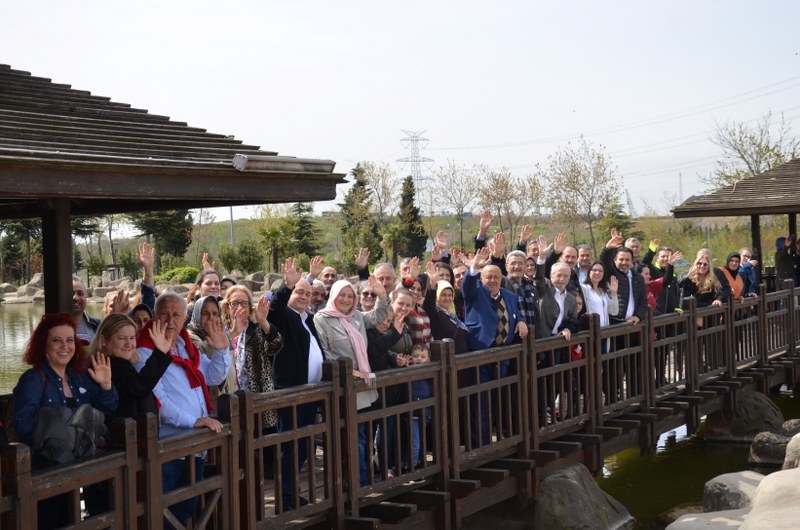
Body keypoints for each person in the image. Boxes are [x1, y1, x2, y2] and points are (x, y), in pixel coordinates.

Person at [134, 292, 230, 529]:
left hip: (193, 445)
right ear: (154, 316)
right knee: (163, 512)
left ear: (185, 318)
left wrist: (220, 350)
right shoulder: (143, 349)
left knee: (186, 506)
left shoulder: (185, 345)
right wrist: (194, 420)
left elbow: (212, 376)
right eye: (164, 313)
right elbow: (159, 402)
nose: (170, 319)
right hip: (169, 445)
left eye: (176, 314)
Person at [13, 313, 118, 529]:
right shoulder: (33, 379)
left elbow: (106, 410)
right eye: (56, 340)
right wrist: (56, 446)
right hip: (46, 473)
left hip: (82, 467)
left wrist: (106, 385)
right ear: (44, 345)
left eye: (70, 340)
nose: (65, 346)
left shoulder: (78, 376)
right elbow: (23, 426)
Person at [314, 277, 388, 486]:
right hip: (344, 387)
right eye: (342, 295)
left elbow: (378, 316)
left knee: (364, 434)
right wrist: (348, 372)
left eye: (350, 296)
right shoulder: (322, 318)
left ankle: (363, 480)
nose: (346, 300)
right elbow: (325, 353)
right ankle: (359, 483)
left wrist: (382, 296)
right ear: (333, 297)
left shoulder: (356, 316)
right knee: (355, 438)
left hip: (363, 387)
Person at [268, 257, 326, 509]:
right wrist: (287, 286)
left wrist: (309, 279)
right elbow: (274, 311)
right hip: (290, 394)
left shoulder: (307, 318)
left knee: (302, 447)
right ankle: (286, 498)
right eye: (299, 292)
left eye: (308, 293)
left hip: (309, 394)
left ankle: (292, 494)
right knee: (289, 448)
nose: (304, 296)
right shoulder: (285, 317)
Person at [89, 314, 171, 424]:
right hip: (121, 437)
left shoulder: (122, 364)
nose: (129, 344)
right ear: (104, 340)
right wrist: (159, 354)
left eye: (132, 338)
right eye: (121, 338)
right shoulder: (107, 366)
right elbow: (137, 387)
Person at [186, 295, 236, 395]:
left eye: (215, 314)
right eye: (205, 313)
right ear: (197, 315)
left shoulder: (222, 336)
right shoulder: (189, 337)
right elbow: (204, 354)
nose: (211, 318)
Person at [405, 343, 433, 471]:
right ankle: (410, 468)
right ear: (410, 358)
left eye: (423, 356)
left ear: (428, 359)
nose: (419, 359)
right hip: (413, 413)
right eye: (416, 356)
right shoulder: (408, 371)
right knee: (414, 443)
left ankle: (417, 464)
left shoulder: (430, 372)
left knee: (421, 442)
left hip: (425, 412)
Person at [580, 261, 619, 330]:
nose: (597, 273)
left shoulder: (603, 291)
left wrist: (614, 293)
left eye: (600, 271)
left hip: (603, 331)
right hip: (590, 331)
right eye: (594, 270)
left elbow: (614, 311)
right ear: (589, 272)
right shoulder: (583, 288)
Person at [71, 275, 100, 342]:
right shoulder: (53, 326)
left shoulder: (97, 325)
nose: (75, 298)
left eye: (80, 293)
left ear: (86, 296)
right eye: (71, 293)